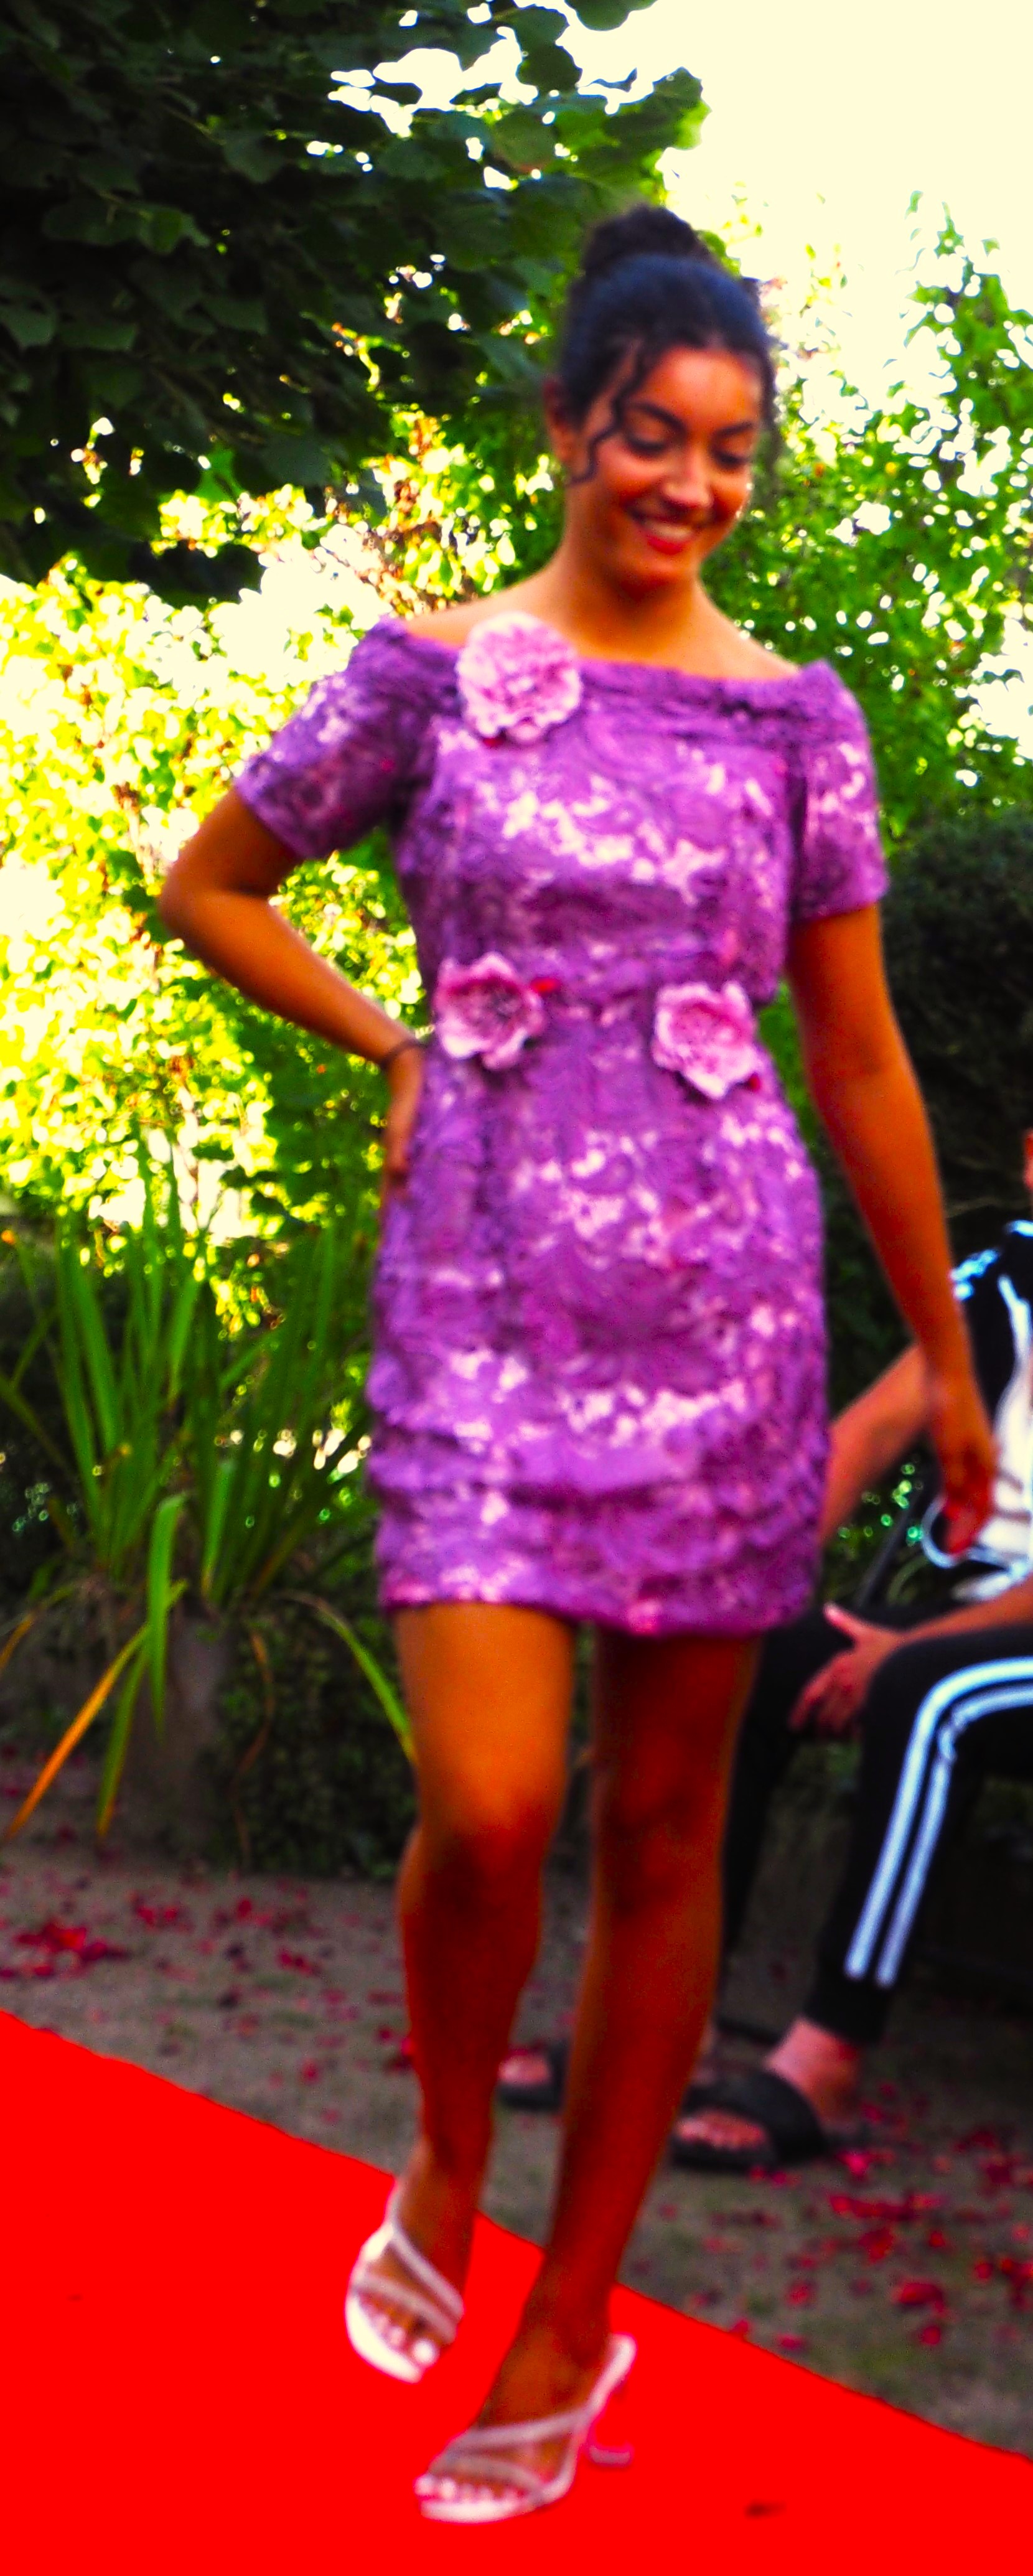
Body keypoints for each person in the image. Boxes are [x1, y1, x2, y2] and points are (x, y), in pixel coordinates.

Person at [159, 204, 992, 2526]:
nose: (691, 485)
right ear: (565, 428)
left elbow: (863, 1059)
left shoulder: (795, 718)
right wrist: (390, 1042)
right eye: (653, 437)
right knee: (497, 1805)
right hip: (480, 1297)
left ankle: (572, 2310)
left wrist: (942, 1355)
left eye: (730, 451)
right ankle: (447, 2148)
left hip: (729, 1321)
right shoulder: (428, 678)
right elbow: (211, 881)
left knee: (656, 1833)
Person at [670, 1192, 1033, 2169]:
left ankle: (826, 2057)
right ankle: (671, 2023)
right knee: (755, 1652)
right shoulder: (1001, 1287)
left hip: (998, 1639)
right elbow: (869, 1434)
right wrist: (737, 1595)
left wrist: (903, 1652)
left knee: (929, 1694)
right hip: (982, 1619)